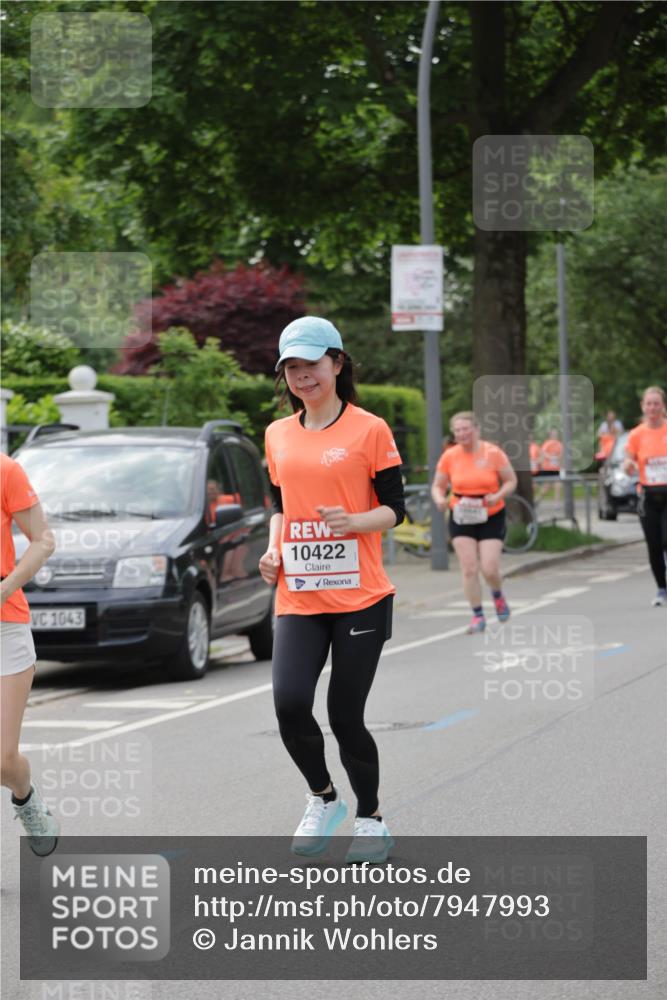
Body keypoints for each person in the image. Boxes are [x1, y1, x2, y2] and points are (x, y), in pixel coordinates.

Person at [259, 316, 405, 864]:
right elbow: (280, 505)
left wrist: (355, 523)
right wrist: (273, 551)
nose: (302, 376)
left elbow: (396, 508)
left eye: (311, 365)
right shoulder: (277, 434)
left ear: (337, 363)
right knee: (290, 703)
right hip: (298, 593)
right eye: (291, 368)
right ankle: (323, 798)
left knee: (345, 715)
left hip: (361, 594)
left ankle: (371, 819)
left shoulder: (370, 429)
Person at [1, 452, 59, 855]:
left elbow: (44, 539)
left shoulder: (6, 470)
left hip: (5, 626)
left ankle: (24, 794)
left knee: (2, 757)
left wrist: (6, 587)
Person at [431, 412, 517, 634]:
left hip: (490, 512)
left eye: (466, 429)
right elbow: (438, 485)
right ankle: (478, 616)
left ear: (476, 430)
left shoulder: (493, 453)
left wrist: (498, 495)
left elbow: (510, 481)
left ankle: (497, 594)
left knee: (489, 568)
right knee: (469, 568)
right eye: (457, 430)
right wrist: (440, 499)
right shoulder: (450, 456)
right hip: (461, 513)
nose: (462, 434)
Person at [624, 386, 667, 606]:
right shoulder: (636, 435)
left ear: (663, 406)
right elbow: (627, 461)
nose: (652, 407)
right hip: (648, 496)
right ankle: (661, 588)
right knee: (654, 544)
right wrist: (629, 466)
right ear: (643, 407)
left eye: (656, 403)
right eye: (648, 403)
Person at [537, 427, 563, 504]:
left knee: (558, 485)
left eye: (556, 433)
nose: (555, 435)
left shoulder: (559, 444)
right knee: (545, 488)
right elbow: (543, 453)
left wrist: (560, 464)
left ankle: (556, 502)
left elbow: (561, 456)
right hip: (548, 468)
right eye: (553, 433)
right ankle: (537, 501)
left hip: (556, 469)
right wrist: (551, 456)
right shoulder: (547, 443)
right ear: (550, 434)